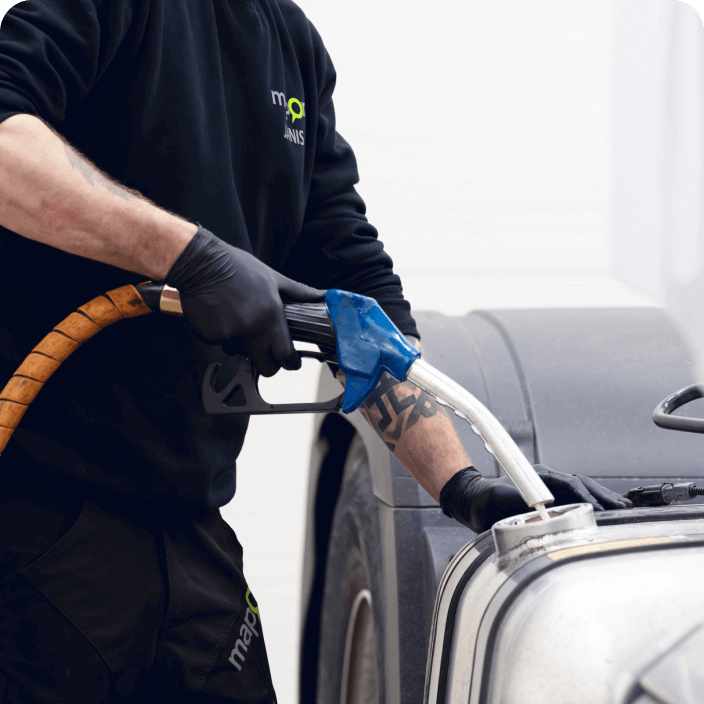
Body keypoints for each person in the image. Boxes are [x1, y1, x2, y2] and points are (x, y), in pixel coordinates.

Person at [0, 1, 631, 701]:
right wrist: (190, 256)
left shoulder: (288, 41)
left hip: (191, 531)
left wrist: (465, 486)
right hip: (35, 524)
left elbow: (359, 301)